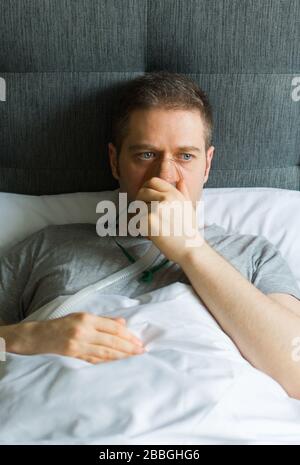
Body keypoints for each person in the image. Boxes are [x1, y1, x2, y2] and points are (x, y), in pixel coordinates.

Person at [1, 71, 300, 398]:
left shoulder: (254, 255)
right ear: (115, 162)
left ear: (207, 165)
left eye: (185, 156)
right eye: (146, 155)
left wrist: (191, 251)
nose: (166, 175)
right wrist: (27, 338)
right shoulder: (47, 247)